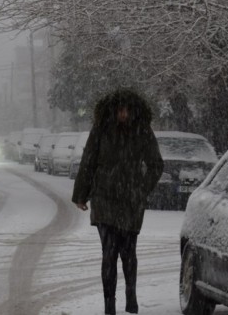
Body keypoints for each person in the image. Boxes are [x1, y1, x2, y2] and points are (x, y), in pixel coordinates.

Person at [72, 89, 164, 315]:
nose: (123, 114)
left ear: (134, 111)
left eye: (127, 110)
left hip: (131, 201)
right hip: (104, 199)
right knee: (109, 254)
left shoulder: (142, 131)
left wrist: (140, 189)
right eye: (120, 110)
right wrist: (81, 195)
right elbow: (88, 161)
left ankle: (130, 294)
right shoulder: (102, 129)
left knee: (128, 252)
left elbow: (156, 165)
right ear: (112, 110)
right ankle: (109, 304)